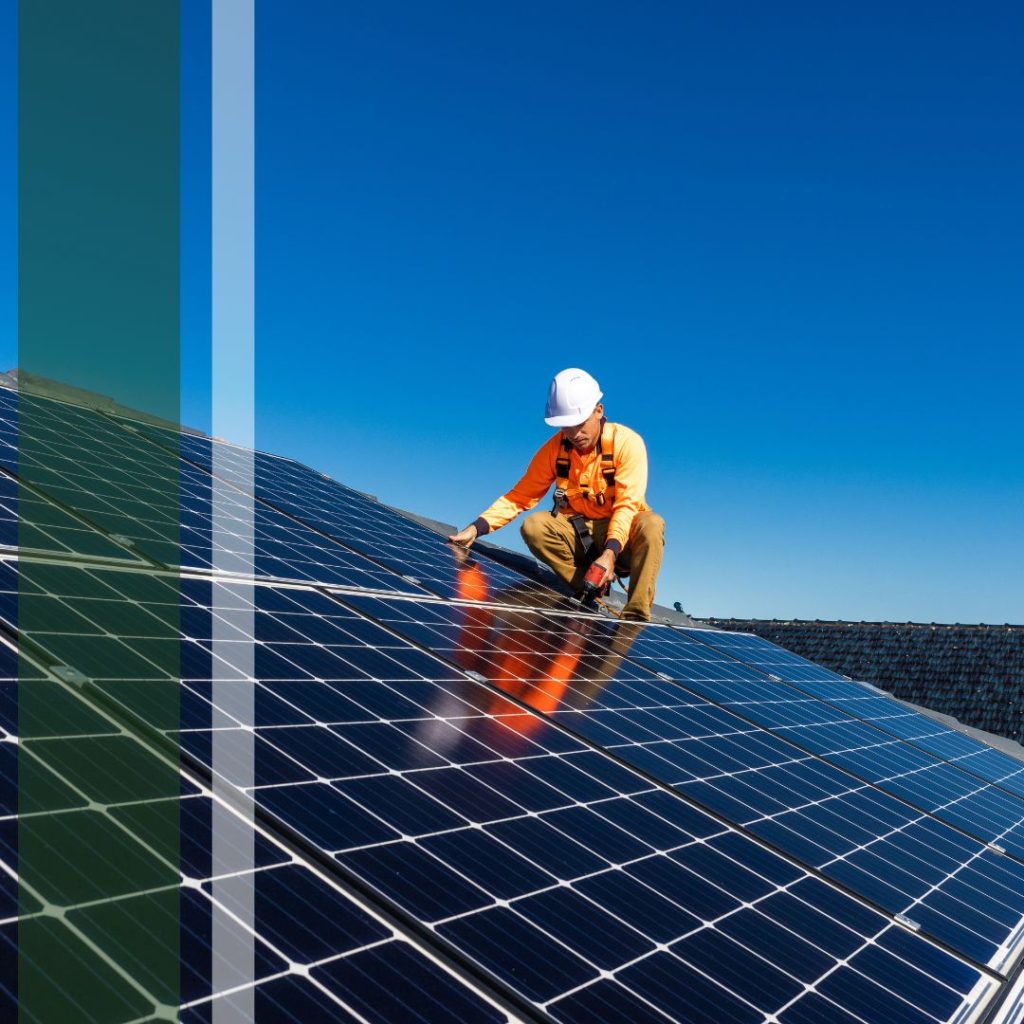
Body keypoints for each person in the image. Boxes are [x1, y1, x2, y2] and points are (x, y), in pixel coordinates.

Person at [448, 368, 665, 621]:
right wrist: (476, 528)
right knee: (534, 526)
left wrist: (610, 553)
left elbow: (627, 506)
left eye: (580, 424)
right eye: (567, 427)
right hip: (579, 535)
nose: (574, 434)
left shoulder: (627, 443)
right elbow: (520, 496)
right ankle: (587, 587)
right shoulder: (555, 450)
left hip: (623, 539)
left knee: (651, 524)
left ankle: (635, 616)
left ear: (598, 411)